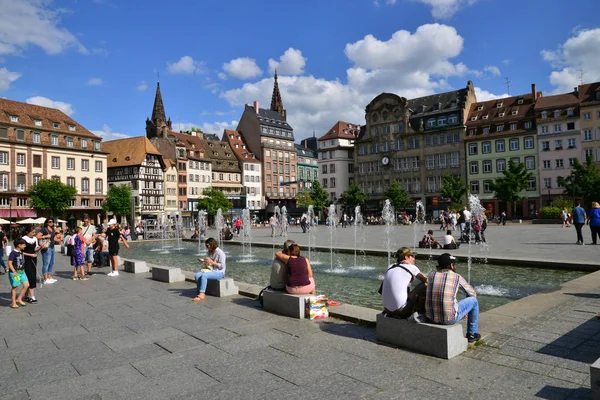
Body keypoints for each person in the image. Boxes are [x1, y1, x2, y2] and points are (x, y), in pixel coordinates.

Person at [425, 253, 480, 343]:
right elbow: (472, 293)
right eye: (454, 264)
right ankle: (472, 333)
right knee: (473, 301)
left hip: (430, 317)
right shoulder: (457, 277)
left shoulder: (431, 275)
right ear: (451, 265)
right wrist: (466, 310)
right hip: (448, 320)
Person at [381, 247, 428, 320]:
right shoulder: (411, 267)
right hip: (402, 312)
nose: (414, 259)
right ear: (406, 257)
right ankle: (421, 314)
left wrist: (410, 280)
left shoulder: (390, 266)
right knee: (424, 285)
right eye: (412, 256)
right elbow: (427, 280)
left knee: (406, 285)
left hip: (387, 311)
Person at [22, 225, 46, 303]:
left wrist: (40, 247)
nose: (34, 234)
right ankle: (32, 296)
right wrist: (30, 255)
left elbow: (35, 249)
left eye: (34, 232)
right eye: (32, 232)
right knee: (30, 277)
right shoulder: (23, 239)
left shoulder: (35, 239)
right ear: (27, 232)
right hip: (26, 260)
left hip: (33, 259)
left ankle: (26, 295)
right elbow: (20, 252)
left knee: (32, 276)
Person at [7, 238, 30, 309]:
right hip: (15, 273)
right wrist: (14, 271)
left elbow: (24, 254)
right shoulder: (13, 253)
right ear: (19, 245)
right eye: (24, 245)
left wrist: (31, 254)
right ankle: (13, 302)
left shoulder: (21, 251)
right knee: (15, 288)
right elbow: (9, 263)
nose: (25, 246)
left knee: (26, 285)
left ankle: (19, 298)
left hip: (22, 272)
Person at [37, 217, 57, 284]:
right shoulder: (44, 229)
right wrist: (45, 236)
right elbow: (37, 236)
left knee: (52, 262)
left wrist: (59, 240)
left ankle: (49, 276)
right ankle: (45, 278)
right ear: (47, 222)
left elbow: (53, 237)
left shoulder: (53, 229)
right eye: (50, 221)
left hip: (52, 247)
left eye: (52, 221)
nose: (51, 223)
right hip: (46, 248)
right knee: (46, 263)